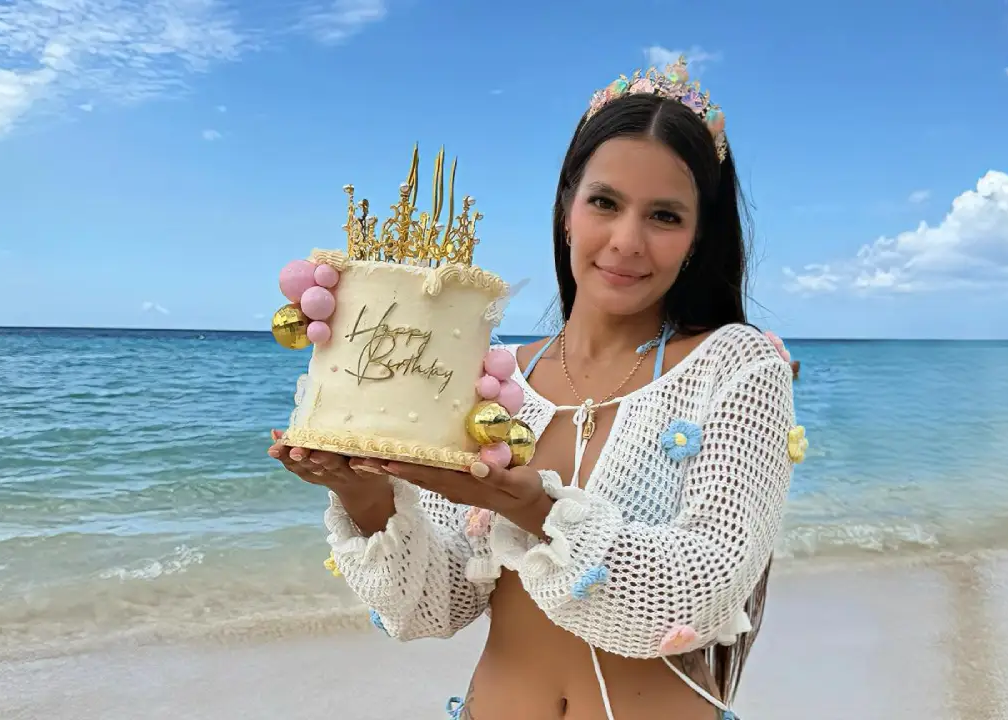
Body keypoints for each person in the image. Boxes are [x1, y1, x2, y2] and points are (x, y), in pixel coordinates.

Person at [270, 56, 798, 720]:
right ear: (567, 209)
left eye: (665, 216)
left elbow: (703, 585)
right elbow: (432, 607)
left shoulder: (736, 367)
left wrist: (533, 508)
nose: (627, 241)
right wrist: (364, 492)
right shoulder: (491, 379)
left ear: (698, 237)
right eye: (605, 202)